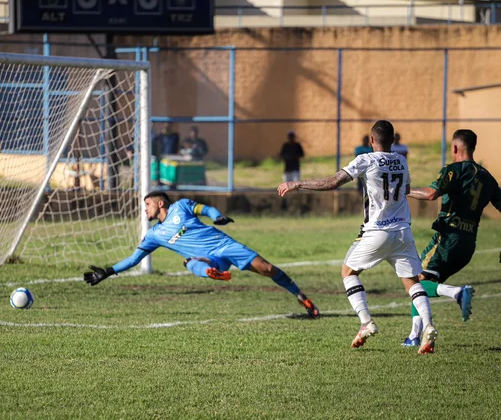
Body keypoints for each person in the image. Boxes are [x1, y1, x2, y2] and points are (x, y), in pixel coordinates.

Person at [277, 120, 438, 355]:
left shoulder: (366, 159)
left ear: (371, 140)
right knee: (412, 282)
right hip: (403, 231)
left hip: (377, 231)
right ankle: (429, 325)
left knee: (348, 272)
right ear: (393, 141)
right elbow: (405, 191)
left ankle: (366, 322)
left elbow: (333, 182)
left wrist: (298, 183)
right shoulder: (401, 160)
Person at [83, 191, 320, 318]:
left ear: (161, 203)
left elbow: (205, 209)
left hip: (225, 245)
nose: (145, 209)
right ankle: (213, 272)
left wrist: (217, 216)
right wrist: (109, 271)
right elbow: (134, 259)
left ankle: (301, 296)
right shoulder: (154, 235)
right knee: (190, 261)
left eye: (147, 205)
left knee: (268, 269)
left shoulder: (182, 206)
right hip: (208, 259)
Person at [401, 129, 501, 347]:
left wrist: (401, 189)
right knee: (423, 280)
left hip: (447, 239)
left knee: (414, 282)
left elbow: (430, 194)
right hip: (468, 244)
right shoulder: (488, 178)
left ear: (455, 148)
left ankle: (457, 292)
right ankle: (414, 336)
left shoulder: (454, 170)